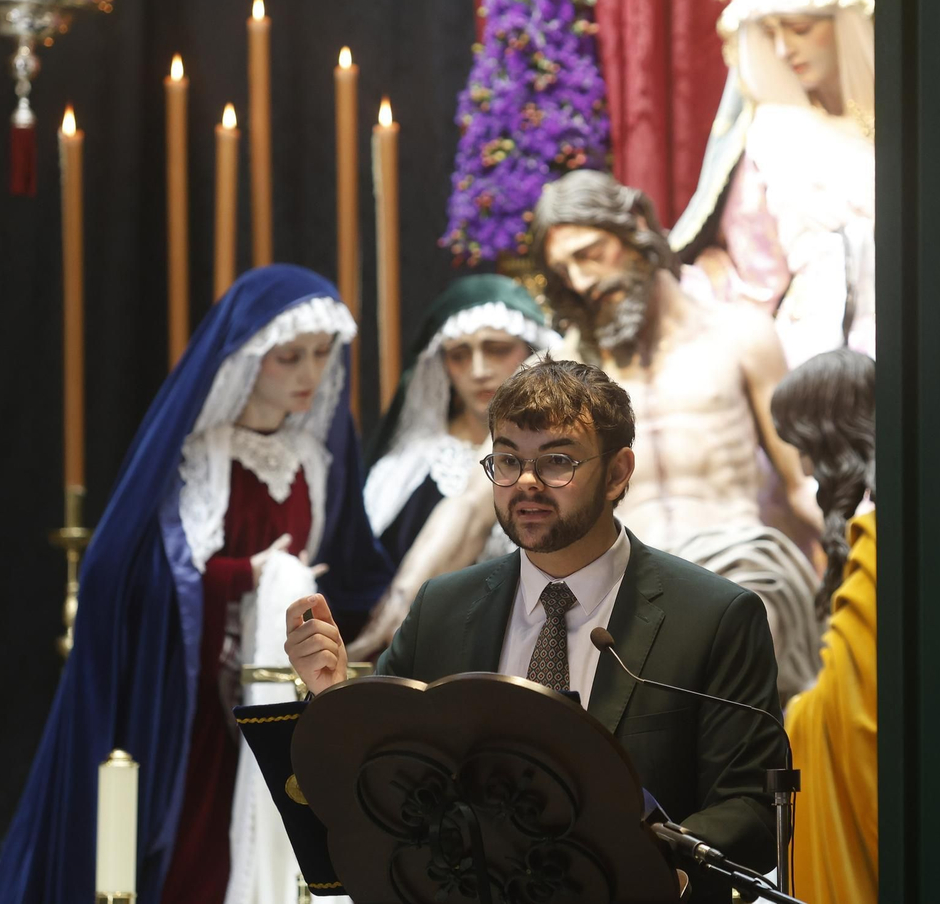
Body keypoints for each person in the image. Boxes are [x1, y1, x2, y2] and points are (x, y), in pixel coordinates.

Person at [286, 358, 783, 903]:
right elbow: (382, 775)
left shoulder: (715, 616)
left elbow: (752, 809)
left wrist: (657, 870)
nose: (526, 482)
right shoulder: (443, 608)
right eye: (507, 460)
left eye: (557, 462)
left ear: (618, 472)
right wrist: (331, 694)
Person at [0, 266, 391, 904]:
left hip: (279, 676)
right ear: (250, 360)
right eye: (290, 357)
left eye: (321, 355)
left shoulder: (314, 458)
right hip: (202, 694)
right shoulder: (205, 455)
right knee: (197, 842)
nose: (310, 373)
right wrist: (247, 577)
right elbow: (153, 573)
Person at [350, 171, 824, 702]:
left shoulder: (740, 337)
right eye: (563, 269)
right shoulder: (563, 372)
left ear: (637, 228)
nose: (579, 281)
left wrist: (866, 567)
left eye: (590, 253)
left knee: (749, 620)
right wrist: (392, 613)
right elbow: (469, 504)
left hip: (739, 567)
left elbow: (802, 483)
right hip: (625, 586)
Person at [671, 0, 876, 368]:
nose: (784, 50)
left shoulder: (918, 126)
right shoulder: (776, 134)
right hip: (809, 355)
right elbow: (755, 274)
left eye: (799, 28)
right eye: (771, 34)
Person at [770, 349, 878, 904]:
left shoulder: (877, 529)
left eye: (806, 449)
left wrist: (799, 717)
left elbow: (857, 706)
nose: (807, 469)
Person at [362, 274, 559, 565]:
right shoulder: (408, 469)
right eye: (459, 355)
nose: (478, 370)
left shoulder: (566, 460)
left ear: (535, 352)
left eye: (497, 349)